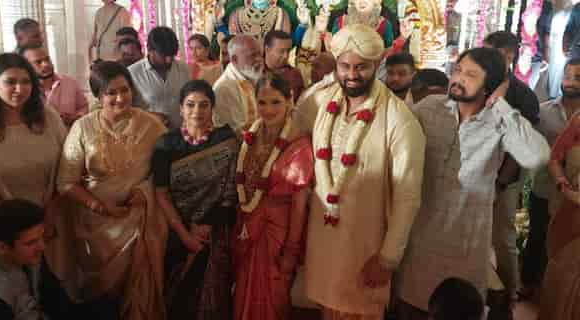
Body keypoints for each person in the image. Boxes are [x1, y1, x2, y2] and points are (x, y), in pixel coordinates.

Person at [396, 47, 550, 320]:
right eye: (457, 70)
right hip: (419, 244)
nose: (458, 78)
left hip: (465, 248)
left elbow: (537, 156)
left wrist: (500, 104)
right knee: (410, 309)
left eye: (470, 75)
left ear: (489, 86)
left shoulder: (499, 122)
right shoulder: (430, 109)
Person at [301, 24, 426, 320]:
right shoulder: (322, 101)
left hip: (366, 248)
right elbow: (292, 123)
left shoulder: (400, 120)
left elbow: (407, 197)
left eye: (362, 67)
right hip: (324, 242)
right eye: (344, 66)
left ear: (378, 64)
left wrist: (388, 258)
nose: (352, 74)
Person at [55, 61, 167, 319]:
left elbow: (168, 170)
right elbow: (65, 182)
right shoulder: (82, 128)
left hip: (140, 220)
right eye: (111, 92)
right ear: (97, 95)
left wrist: (144, 190)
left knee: (138, 297)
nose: (120, 98)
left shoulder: (152, 125)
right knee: (102, 302)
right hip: (96, 228)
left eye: (125, 89)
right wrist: (100, 206)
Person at [152, 80, 237, 319]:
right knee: (177, 300)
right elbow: (162, 193)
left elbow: (231, 189)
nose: (197, 112)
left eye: (204, 105)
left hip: (216, 230)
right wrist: (185, 235)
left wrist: (207, 226)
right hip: (176, 230)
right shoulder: (165, 144)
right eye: (190, 105)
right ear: (180, 108)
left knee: (213, 300)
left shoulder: (226, 140)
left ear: (213, 108)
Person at [233, 72, 313, 320]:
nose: (268, 110)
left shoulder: (299, 145)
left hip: (277, 232)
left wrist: (291, 250)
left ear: (290, 100)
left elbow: (300, 204)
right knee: (243, 290)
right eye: (262, 102)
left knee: (273, 295)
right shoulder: (249, 135)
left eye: (276, 102)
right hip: (246, 226)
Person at [0, 53, 66, 252]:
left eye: (26, 81)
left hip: (50, 218)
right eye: (10, 82)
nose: (19, 89)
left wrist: (48, 216)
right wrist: (20, 226)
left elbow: (66, 168)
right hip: (1, 223)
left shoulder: (48, 116)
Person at [483, 31, 540, 309]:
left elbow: (519, 149)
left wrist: (500, 184)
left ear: (508, 56)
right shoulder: (476, 84)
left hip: (505, 177)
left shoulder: (524, 96)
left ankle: (509, 290)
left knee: (502, 236)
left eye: (495, 56)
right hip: (473, 173)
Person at [521, 58, 580, 300]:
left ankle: (556, 292)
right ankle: (529, 284)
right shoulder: (544, 112)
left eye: (578, 78)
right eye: (568, 76)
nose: (571, 82)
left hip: (573, 201)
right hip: (546, 188)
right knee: (538, 237)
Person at [539, 58, 580, 320]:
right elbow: (555, 158)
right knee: (563, 271)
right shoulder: (578, 122)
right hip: (571, 207)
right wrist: (565, 187)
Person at [0, 200, 56, 319]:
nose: (43, 247)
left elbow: (62, 309)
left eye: (42, 237)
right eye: (31, 242)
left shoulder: (30, 257)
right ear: (2, 247)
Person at [129, 26, 190, 129]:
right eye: (163, 56)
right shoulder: (133, 73)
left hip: (180, 133)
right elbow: (126, 111)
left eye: (172, 55)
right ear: (149, 50)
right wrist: (150, 117)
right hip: (148, 134)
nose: (169, 60)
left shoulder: (182, 68)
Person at [20, 44, 88, 126]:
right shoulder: (23, 91)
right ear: (26, 67)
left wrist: (76, 117)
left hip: (70, 135)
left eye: (47, 59)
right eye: (38, 62)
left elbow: (83, 106)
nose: (46, 64)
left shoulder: (69, 82)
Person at [212, 35, 264, 132]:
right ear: (234, 59)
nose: (259, 59)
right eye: (252, 56)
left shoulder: (253, 75)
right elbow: (236, 132)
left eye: (260, 54)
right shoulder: (224, 88)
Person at [263, 30, 305, 102]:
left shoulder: (295, 75)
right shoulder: (254, 73)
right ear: (267, 49)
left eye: (288, 51)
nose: (286, 56)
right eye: (281, 51)